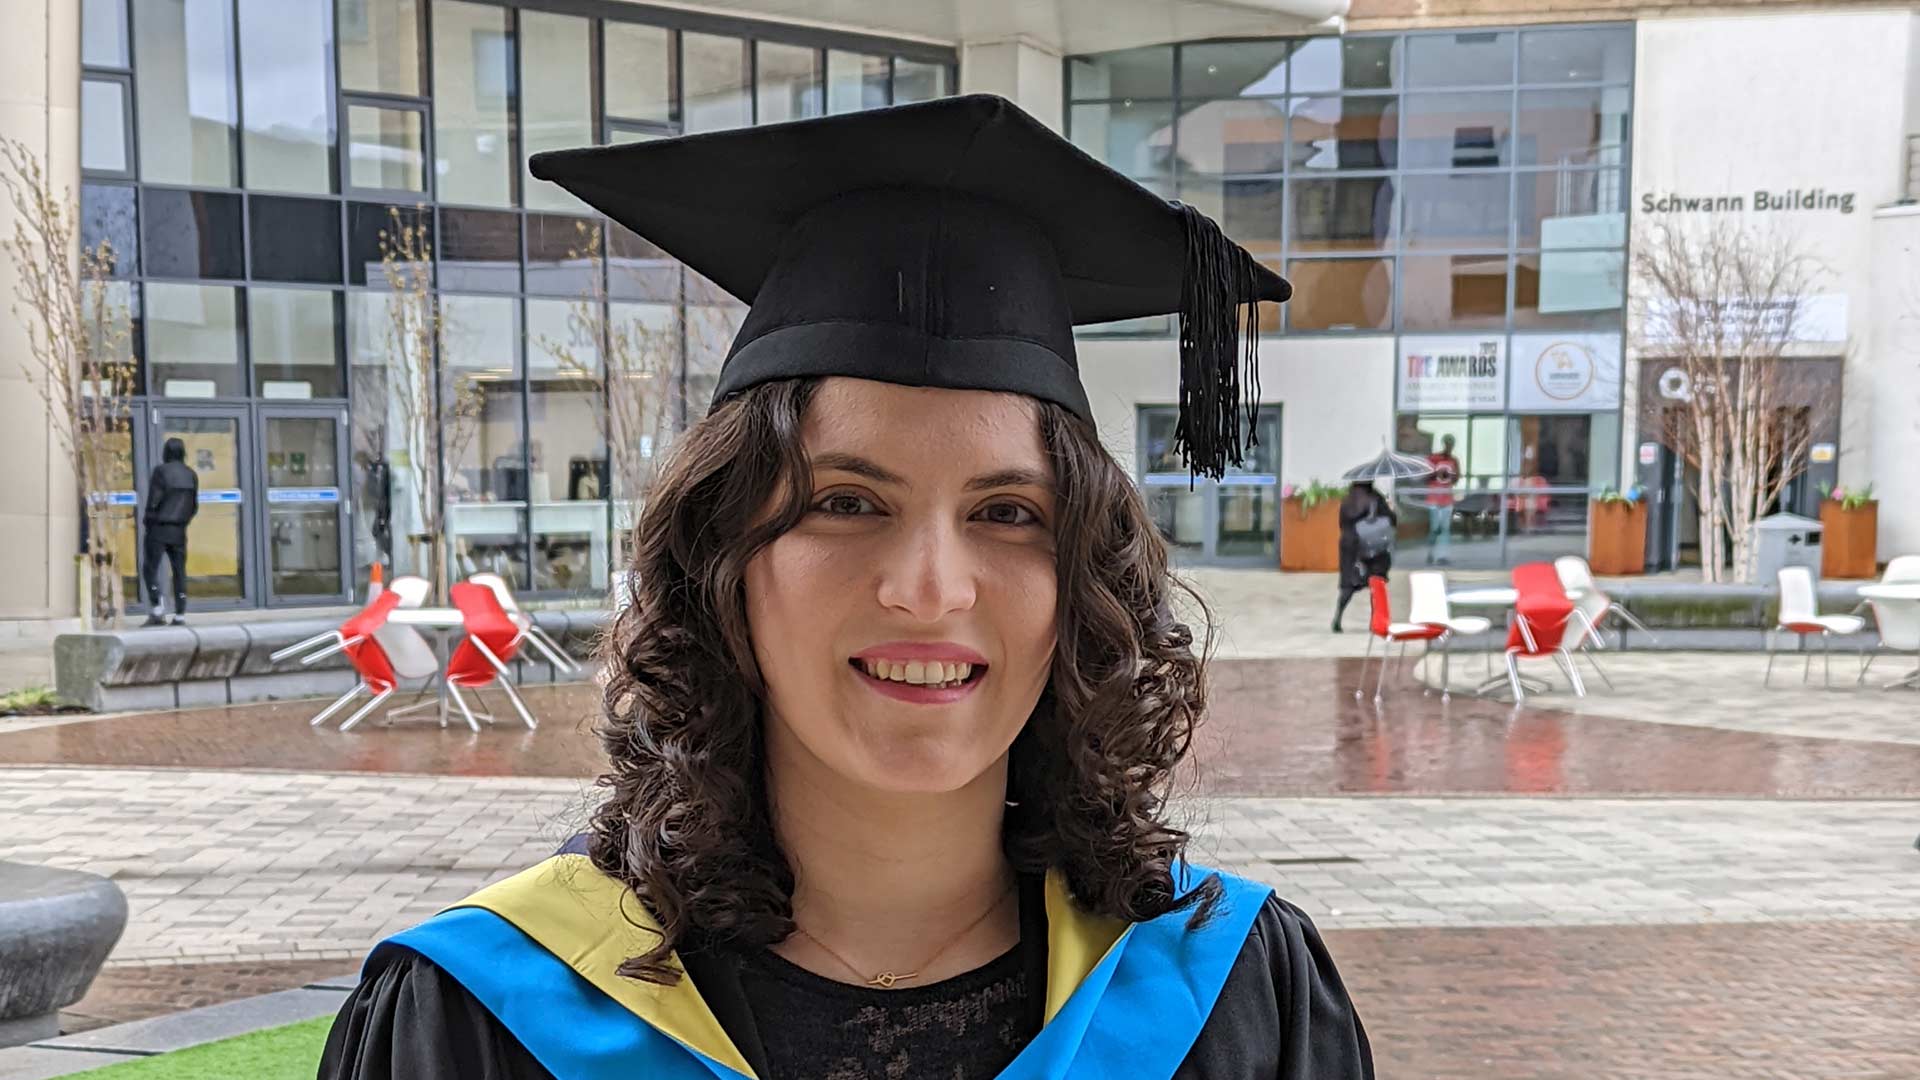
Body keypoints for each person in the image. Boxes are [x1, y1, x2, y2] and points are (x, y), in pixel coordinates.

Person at [317, 95, 1372, 1080]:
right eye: (847, 502)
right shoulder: (486, 1018)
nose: (931, 590)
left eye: (1009, 513)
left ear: (1083, 580)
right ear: (722, 561)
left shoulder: (1232, 998)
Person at [140, 436, 197, 627]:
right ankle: (180, 614)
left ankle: (157, 609)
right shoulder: (191, 474)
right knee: (179, 571)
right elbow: (194, 506)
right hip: (179, 530)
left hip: (158, 528)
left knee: (150, 568)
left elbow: (153, 501)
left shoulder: (161, 471)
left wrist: (148, 521)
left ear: (166, 452)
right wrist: (183, 521)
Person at [1333, 480, 1396, 633]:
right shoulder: (1375, 498)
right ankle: (1375, 621)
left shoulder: (1347, 500)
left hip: (1349, 546)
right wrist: (1391, 509)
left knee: (1348, 584)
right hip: (1372, 546)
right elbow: (1391, 521)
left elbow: (1341, 524)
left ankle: (1338, 618)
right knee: (1376, 583)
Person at [1425, 434, 1460, 565]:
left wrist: (1450, 476)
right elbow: (1426, 476)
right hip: (1434, 498)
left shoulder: (1454, 460)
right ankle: (1431, 553)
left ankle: (1443, 556)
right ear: (1444, 443)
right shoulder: (1433, 458)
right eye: (1447, 442)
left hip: (1447, 499)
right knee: (1435, 528)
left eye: (1451, 443)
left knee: (1445, 528)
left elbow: (1456, 479)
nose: (1449, 445)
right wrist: (1437, 474)